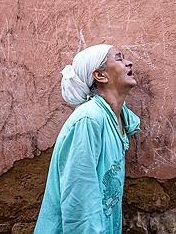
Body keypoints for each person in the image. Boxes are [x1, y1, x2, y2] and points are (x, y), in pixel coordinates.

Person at [34, 44, 140, 234]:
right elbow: (79, 196)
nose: (128, 62)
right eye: (119, 58)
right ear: (100, 76)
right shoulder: (89, 119)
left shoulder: (117, 118)